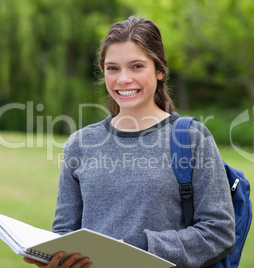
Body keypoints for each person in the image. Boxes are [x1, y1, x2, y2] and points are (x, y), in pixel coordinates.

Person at [24, 16, 235, 268]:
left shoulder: (192, 138)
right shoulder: (80, 143)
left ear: (160, 70)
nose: (123, 79)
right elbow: (64, 233)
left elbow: (218, 232)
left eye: (136, 66)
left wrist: (139, 248)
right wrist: (55, 259)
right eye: (113, 68)